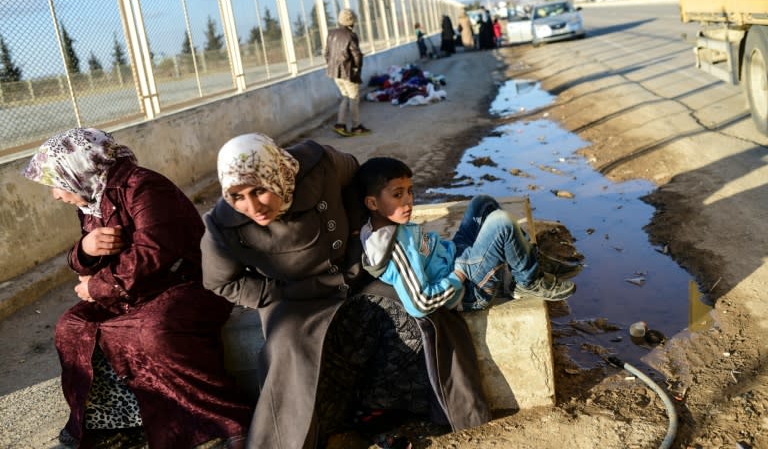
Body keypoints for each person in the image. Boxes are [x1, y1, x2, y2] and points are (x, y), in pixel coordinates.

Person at [201, 133, 491, 448]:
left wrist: (356, 233)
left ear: (278, 174)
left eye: (260, 190)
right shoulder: (222, 225)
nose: (252, 206)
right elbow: (221, 281)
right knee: (289, 353)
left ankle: (449, 412)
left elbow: (355, 176)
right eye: (237, 196)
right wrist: (277, 292)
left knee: (423, 313)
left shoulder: (317, 164)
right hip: (297, 301)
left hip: (355, 274)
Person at [21, 128, 252, 449]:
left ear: (75, 169)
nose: (57, 196)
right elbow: (90, 258)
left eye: (56, 185)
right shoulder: (92, 196)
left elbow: (154, 251)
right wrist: (85, 250)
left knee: (148, 333)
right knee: (72, 327)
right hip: (135, 289)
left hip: (185, 284)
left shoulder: (144, 186)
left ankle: (228, 420)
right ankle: (113, 423)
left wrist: (99, 287)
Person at [356, 157, 579, 316]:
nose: (408, 200)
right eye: (397, 194)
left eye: (409, 191)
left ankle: (531, 263)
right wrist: (459, 275)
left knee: (482, 204)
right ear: (372, 203)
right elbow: (420, 303)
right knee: (501, 223)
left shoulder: (387, 222)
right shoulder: (394, 249)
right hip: (469, 289)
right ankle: (528, 281)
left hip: (457, 256)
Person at [325, 8, 371, 137]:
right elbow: (356, 55)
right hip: (348, 72)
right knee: (354, 99)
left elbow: (327, 54)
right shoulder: (351, 35)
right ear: (352, 21)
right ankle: (356, 126)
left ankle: (340, 124)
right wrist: (356, 69)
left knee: (345, 97)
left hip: (334, 73)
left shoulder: (331, 34)